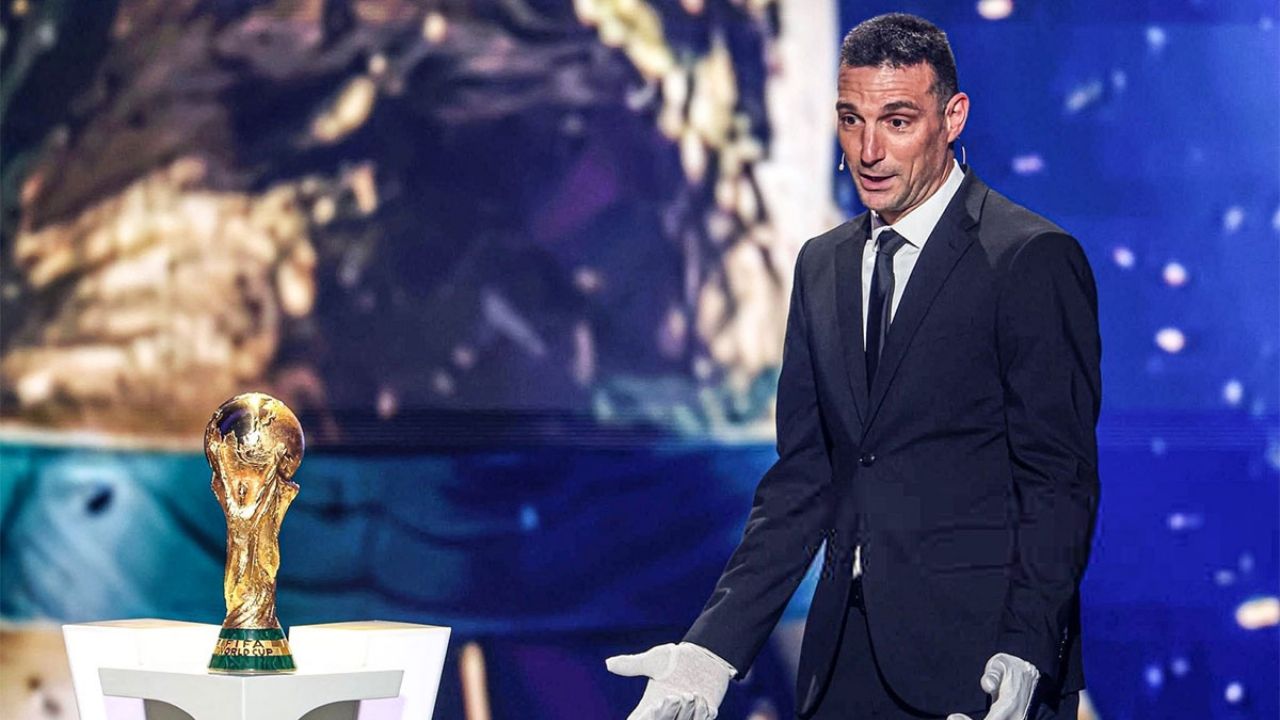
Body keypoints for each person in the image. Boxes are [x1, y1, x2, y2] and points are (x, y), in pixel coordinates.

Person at [606, 12, 1101, 720]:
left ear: (952, 118)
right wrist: (711, 651)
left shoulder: (1027, 258)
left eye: (897, 121)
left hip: (984, 673)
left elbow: (1058, 482)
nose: (869, 150)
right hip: (841, 664)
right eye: (851, 120)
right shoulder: (822, 264)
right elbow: (803, 481)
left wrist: (1028, 648)